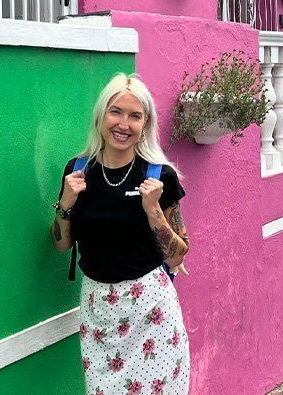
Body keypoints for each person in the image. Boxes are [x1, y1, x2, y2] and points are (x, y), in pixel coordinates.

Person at [50, 73, 191, 394]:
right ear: (101, 116)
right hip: (99, 312)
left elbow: (178, 254)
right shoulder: (77, 170)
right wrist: (65, 203)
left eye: (135, 116)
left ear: (145, 125)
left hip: (151, 313)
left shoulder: (159, 176)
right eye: (116, 112)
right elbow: (60, 245)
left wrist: (153, 209)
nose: (123, 124)